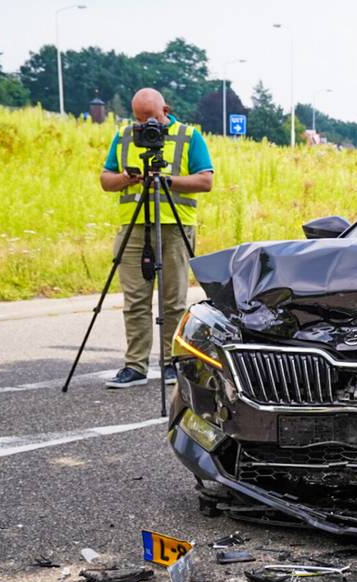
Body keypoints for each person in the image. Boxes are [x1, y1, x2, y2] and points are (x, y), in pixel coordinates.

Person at [99, 88, 213, 388]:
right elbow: (105, 180)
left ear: (165, 108)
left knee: (172, 301)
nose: (146, 125)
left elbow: (205, 180)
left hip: (174, 227)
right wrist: (126, 178)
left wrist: (168, 182)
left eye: (151, 118)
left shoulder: (189, 137)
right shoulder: (124, 136)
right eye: (139, 119)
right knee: (135, 300)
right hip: (134, 225)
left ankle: (172, 363)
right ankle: (135, 366)